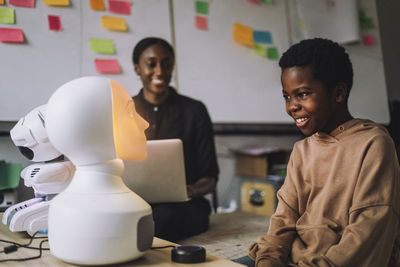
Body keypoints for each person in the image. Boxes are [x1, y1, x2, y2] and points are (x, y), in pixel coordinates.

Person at [234, 38, 400, 266]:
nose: (291, 106)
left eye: (302, 94)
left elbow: (366, 234)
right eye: (286, 96)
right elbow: (283, 220)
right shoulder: (302, 150)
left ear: (339, 93)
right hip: (294, 258)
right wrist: (268, 260)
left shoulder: (374, 144)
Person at [131, 37, 219, 242]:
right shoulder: (124, 111)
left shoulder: (194, 111)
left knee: (158, 219)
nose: (160, 71)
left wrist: (186, 191)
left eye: (167, 64)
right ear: (137, 69)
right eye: (151, 64)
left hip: (184, 206)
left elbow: (210, 179)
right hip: (133, 204)